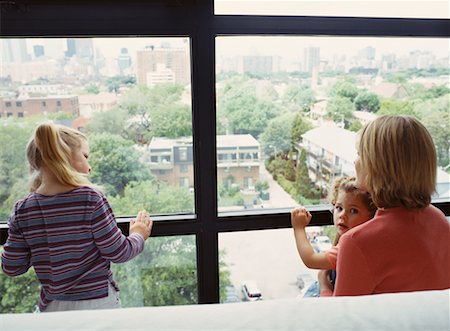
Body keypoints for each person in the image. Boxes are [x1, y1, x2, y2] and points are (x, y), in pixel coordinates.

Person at [1, 122, 153, 312]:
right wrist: (138, 234)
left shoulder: (23, 210)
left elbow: (12, 267)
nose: (89, 167)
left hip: (53, 308)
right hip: (99, 303)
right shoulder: (90, 200)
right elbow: (118, 252)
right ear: (63, 157)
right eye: (85, 156)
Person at [320, 115, 450, 296]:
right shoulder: (439, 220)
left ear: (376, 167)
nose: (356, 161)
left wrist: (324, 286)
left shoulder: (356, 242)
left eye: (359, 154)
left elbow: (341, 319)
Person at [291, 176, 376, 296]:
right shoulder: (355, 237)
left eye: (353, 211)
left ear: (371, 216)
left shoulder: (353, 246)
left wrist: (299, 228)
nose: (342, 216)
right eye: (339, 208)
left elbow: (310, 259)